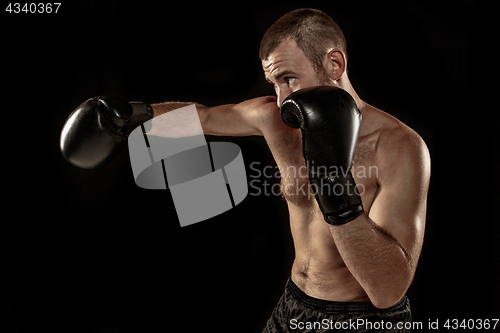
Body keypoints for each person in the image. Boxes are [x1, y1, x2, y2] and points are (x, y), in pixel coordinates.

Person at [60, 8, 431, 332]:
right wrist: (128, 119)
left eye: (290, 78)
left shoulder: (400, 147)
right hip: (295, 303)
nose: (283, 99)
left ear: (335, 64)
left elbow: (387, 291)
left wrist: (331, 183)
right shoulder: (276, 118)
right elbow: (201, 118)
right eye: (274, 82)